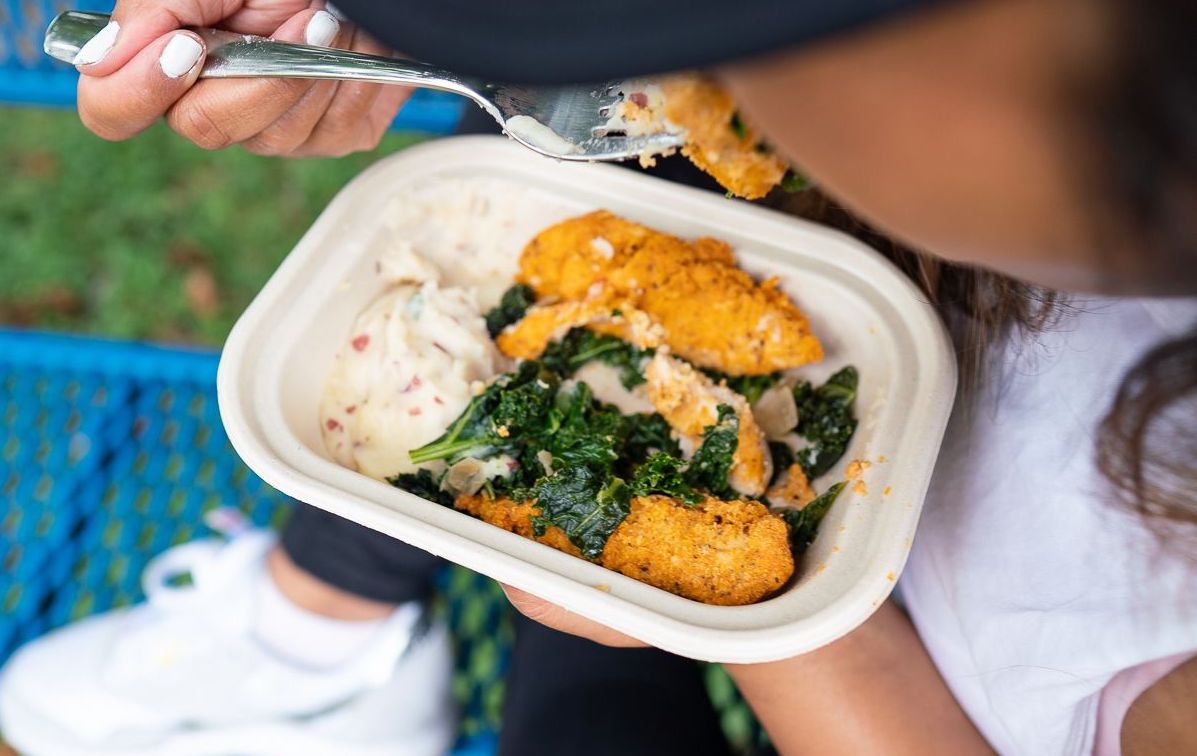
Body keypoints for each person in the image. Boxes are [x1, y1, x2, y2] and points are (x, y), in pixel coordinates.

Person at [2, 0, 1195, 753]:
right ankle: (329, 627)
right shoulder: (1027, 164)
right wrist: (435, 29)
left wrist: (752, 615)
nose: (678, 50)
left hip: (864, 669)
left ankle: (325, 647)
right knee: (574, 187)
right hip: (809, 454)